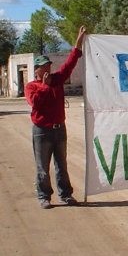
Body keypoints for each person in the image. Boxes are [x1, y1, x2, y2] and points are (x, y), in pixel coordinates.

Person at [25, 26, 87, 208]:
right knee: (42, 168)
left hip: (59, 129)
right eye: (43, 67)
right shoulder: (31, 87)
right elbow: (35, 103)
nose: (47, 69)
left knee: (62, 166)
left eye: (49, 66)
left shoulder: (58, 79)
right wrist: (44, 86)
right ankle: (44, 197)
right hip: (41, 131)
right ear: (36, 70)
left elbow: (70, 62)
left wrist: (79, 40)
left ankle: (66, 195)